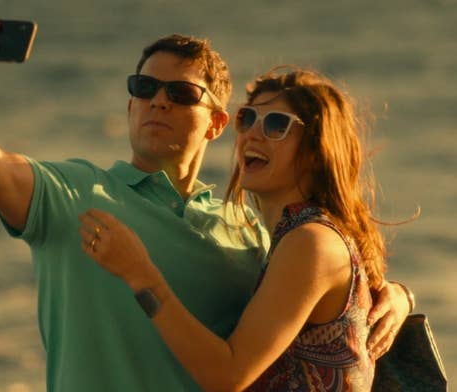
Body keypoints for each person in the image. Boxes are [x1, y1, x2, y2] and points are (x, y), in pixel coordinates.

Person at [0, 4, 413, 391]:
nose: (159, 100)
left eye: (181, 93)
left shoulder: (249, 226)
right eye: (145, 87)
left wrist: (392, 294)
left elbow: (322, 285)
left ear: (217, 124)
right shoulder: (74, 193)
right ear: (131, 103)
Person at [79, 67, 407, 391]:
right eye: (247, 118)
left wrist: (139, 274)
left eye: (276, 124)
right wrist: (403, 295)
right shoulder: (295, 238)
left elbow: (229, 376)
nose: (252, 133)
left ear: (316, 152)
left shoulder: (311, 241)